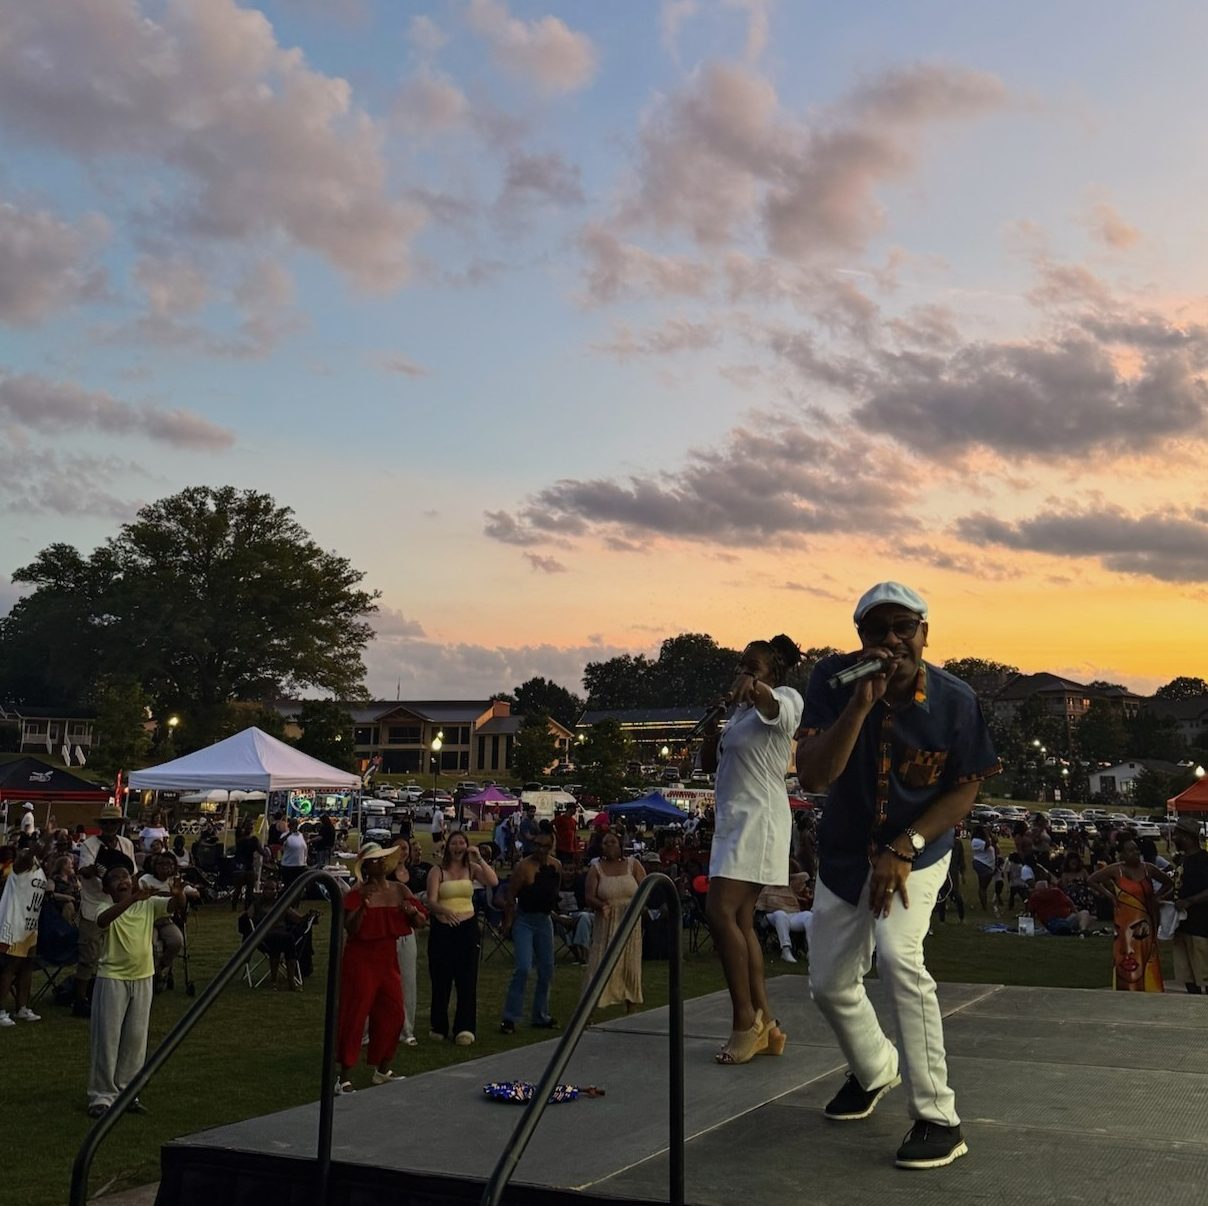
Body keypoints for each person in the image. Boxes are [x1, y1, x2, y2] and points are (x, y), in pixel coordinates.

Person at [796, 582, 1000, 1171]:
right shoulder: (834, 683)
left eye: (902, 627)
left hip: (919, 850)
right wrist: (861, 704)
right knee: (830, 985)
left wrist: (906, 846)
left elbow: (966, 786)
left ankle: (939, 1116)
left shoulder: (956, 699)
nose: (890, 639)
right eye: (875, 629)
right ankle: (874, 1069)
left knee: (897, 954)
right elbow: (814, 776)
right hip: (843, 854)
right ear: (859, 637)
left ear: (925, 633)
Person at [699, 634, 803, 1064]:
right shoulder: (739, 716)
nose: (742, 672)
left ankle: (745, 1023)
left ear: (771, 674)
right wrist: (711, 731)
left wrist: (757, 688)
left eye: (752, 666)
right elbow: (711, 765)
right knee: (740, 918)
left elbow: (778, 711)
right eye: (740, 664)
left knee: (719, 913)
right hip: (733, 823)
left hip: (758, 823)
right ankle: (769, 1024)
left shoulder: (784, 699)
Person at [88, 864, 186, 1117]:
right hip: (112, 978)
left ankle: (128, 1092)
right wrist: (133, 899)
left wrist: (178, 894)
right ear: (108, 889)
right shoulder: (104, 906)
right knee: (107, 1039)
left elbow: (175, 906)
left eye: (125, 876)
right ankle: (101, 1096)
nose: (122, 880)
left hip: (143, 977)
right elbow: (103, 920)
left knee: (135, 1039)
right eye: (115, 878)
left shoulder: (149, 904)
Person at [336, 843, 426, 1093]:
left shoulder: (400, 889)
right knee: (355, 1015)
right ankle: (343, 1076)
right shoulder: (358, 892)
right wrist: (363, 907)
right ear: (365, 866)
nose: (379, 864)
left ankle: (383, 1069)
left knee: (394, 1014)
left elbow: (420, 920)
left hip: (387, 960)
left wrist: (410, 912)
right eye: (373, 860)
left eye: (382, 859)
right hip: (361, 959)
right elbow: (351, 929)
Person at [426, 830, 496, 1045]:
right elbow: (431, 900)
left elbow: (493, 881)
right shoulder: (438, 871)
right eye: (454, 843)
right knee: (441, 978)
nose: (458, 847)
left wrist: (480, 858)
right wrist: (445, 912)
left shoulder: (472, 870)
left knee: (467, 979)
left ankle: (464, 1027)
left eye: (462, 843)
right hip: (443, 928)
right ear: (448, 847)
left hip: (467, 927)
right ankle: (439, 1025)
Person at [74, 805, 138, 1019]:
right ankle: (80, 999)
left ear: (120, 824)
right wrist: (92, 870)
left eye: (114, 823)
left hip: (119, 906)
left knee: (118, 953)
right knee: (89, 954)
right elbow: (83, 870)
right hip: (94, 905)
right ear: (101, 826)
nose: (110, 826)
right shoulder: (89, 844)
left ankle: (113, 996)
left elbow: (133, 874)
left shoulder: (126, 844)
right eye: (107, 823)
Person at [500, 822, 561, 1034]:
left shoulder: (556, 866)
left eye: (546, 846)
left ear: (552, 846)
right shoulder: (524, 867)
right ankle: (510, 1017)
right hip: (525, 920)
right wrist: (508, 922)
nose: (541, 851)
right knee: (523, 967)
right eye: (537, 846)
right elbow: (510, 896)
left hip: (544, 920)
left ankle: (540, 1014)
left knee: (547, 969)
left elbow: (554, 891)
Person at [1090, 838, 1174, 991]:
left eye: (1136, 849)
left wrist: (1158, 897)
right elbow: (1092, 880)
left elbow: (1169, 882)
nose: (1135, 853)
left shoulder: (1148, 868)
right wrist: (1109, 895)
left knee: (1147, 954)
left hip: (1145, 921)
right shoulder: (1116, 870)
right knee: (1125, 954)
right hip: (1123, 921)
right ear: (1121, 854)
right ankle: (1126, 989)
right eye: (1130, 850)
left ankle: (1151, 988)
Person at [583, 831, 646, 1013]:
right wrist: (600, 905)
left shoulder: (633, 865)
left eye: (613, 842)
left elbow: (645, 888)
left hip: (630, 922)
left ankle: (631, 1009)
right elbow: (589, 896)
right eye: (605, 843)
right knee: (600, 965)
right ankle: (588, 1012)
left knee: (630, 965)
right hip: (607, 922)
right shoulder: (596, 869)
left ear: (620, 845)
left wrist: (640, 907)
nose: (609, 845)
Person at [0, 836, 51, 1026]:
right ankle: (1, 1010)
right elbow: (27, 857)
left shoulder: (39, 868)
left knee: (27, 966)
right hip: (13, 922)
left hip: (30, 925)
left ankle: (22, 1008)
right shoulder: (20, 867)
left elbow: (43, 852)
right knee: (10, 966)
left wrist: (49, 839)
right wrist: (34, 849)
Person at [138, 852, 200, 991]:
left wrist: (182, 892)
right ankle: (156, 975)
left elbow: (196, 893)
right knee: (152, 945)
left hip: (167, 920)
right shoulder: (146, 880)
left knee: (177, 941)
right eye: (162, 864)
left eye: (169, 864)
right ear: (155, 866)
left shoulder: (175, 881)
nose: (166, 868)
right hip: (149, 920)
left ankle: (161, 968)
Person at [388, 836, 424, 1045]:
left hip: (407, 932)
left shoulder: (414, 875)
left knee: (408, 982)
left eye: (405, 848)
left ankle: (406, 1029)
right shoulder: (383, 874)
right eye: (398, 848)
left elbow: (418, 904)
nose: (402, 851)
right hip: (386, 933)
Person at [1171, 816, 1208, 994]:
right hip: (1181, 925)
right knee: (1187, 975)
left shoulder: (1203, 860)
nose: (1173, 837)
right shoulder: (1183, 860)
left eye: (1176, 834)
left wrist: (1190, 901)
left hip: (1200, 926)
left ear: (1186, 836)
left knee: (1204, 974)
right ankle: (1194, 1010)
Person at [756, 870, 814, 964]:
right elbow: (760, 907)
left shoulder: (790, 888)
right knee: (781, 914)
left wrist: (789, 876)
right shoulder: (767, 889)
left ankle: (812, 952)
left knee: (809, 915)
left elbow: (804, 876)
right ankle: (786, 950)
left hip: (792, 914)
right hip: (773, 915)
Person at [1026, 872, 1092, 935]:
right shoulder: (1034, 898)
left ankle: (1083, 930)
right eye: (1040, 892)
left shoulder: (1057, 892)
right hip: (1051, 924)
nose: (1042, 894)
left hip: (1066, 919)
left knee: (1084, 913)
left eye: (1044, 891)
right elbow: (1031, 913)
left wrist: (1076, 913)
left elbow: (1070, 903)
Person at [230, 820, 264, 912]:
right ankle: (247, 906)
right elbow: (261, 851)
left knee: (238, 889)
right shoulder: (254, 840)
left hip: (239, 866)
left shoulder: (239, 839)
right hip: (249, 867)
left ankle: (234, 906)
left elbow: (237, 831)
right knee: (249, 890)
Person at [969, 824, 997, 912]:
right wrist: (987, 834)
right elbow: (987, 845)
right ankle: (984, 906)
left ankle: (984, 904)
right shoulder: (975, 841)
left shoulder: (984, 839)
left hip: (988, 865)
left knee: (984, 886)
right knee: (983, 886)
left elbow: (995, 841)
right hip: (981, 864)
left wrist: (990, 834)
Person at [279, 819, 309, 888]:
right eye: (293, 825)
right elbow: (280, 841)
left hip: (300, 865)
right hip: (288, 865)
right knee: (288, 886)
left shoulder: (300, 835)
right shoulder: (285, 835)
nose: (295, 827)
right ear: (290, 826)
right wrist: (289, 833)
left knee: (299, 886)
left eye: (296, 825)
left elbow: (304, 848)